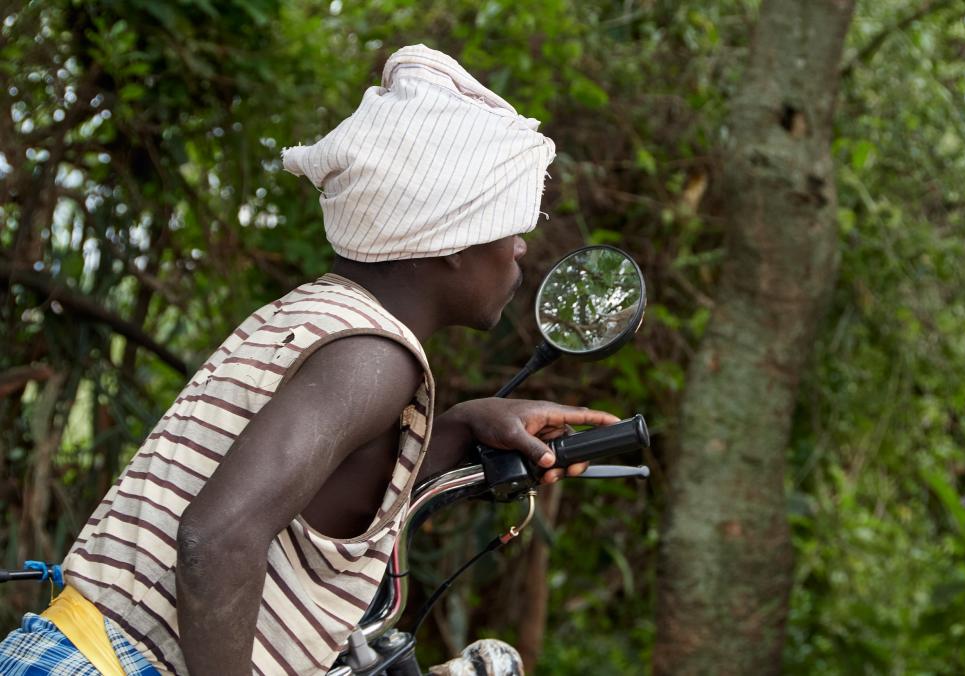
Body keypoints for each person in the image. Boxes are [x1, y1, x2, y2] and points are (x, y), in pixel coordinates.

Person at [0, 44, 617, 675]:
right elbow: (216, 539)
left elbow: (313, 494)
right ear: (449, 241)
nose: (519, 248)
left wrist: (460, 425)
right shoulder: (374, 358)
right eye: (509, 222)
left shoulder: (320, 316)